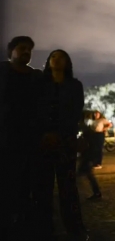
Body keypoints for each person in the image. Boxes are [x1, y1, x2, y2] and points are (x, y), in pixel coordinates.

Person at [33, 49, 88, 240]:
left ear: (67, 62)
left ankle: (74, 227)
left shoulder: (74, 86)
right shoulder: (40, 84)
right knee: (43, 186)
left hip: (66, 141)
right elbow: (36, 110)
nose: (56, 60)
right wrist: (44, 133)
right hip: (44, 141)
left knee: (68, 187)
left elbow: (75, 112)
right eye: (53, 57)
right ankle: (44, 227)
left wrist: (66, 134)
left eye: (61, 57)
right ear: (48, 62)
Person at [0, 36, 42, 240]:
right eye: (22, 48)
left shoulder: (36, 77)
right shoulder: (2, 71)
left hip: (30, 140)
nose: (26, 52)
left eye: (29, 49)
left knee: (28, 184)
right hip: (6, 137)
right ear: (11, 51)